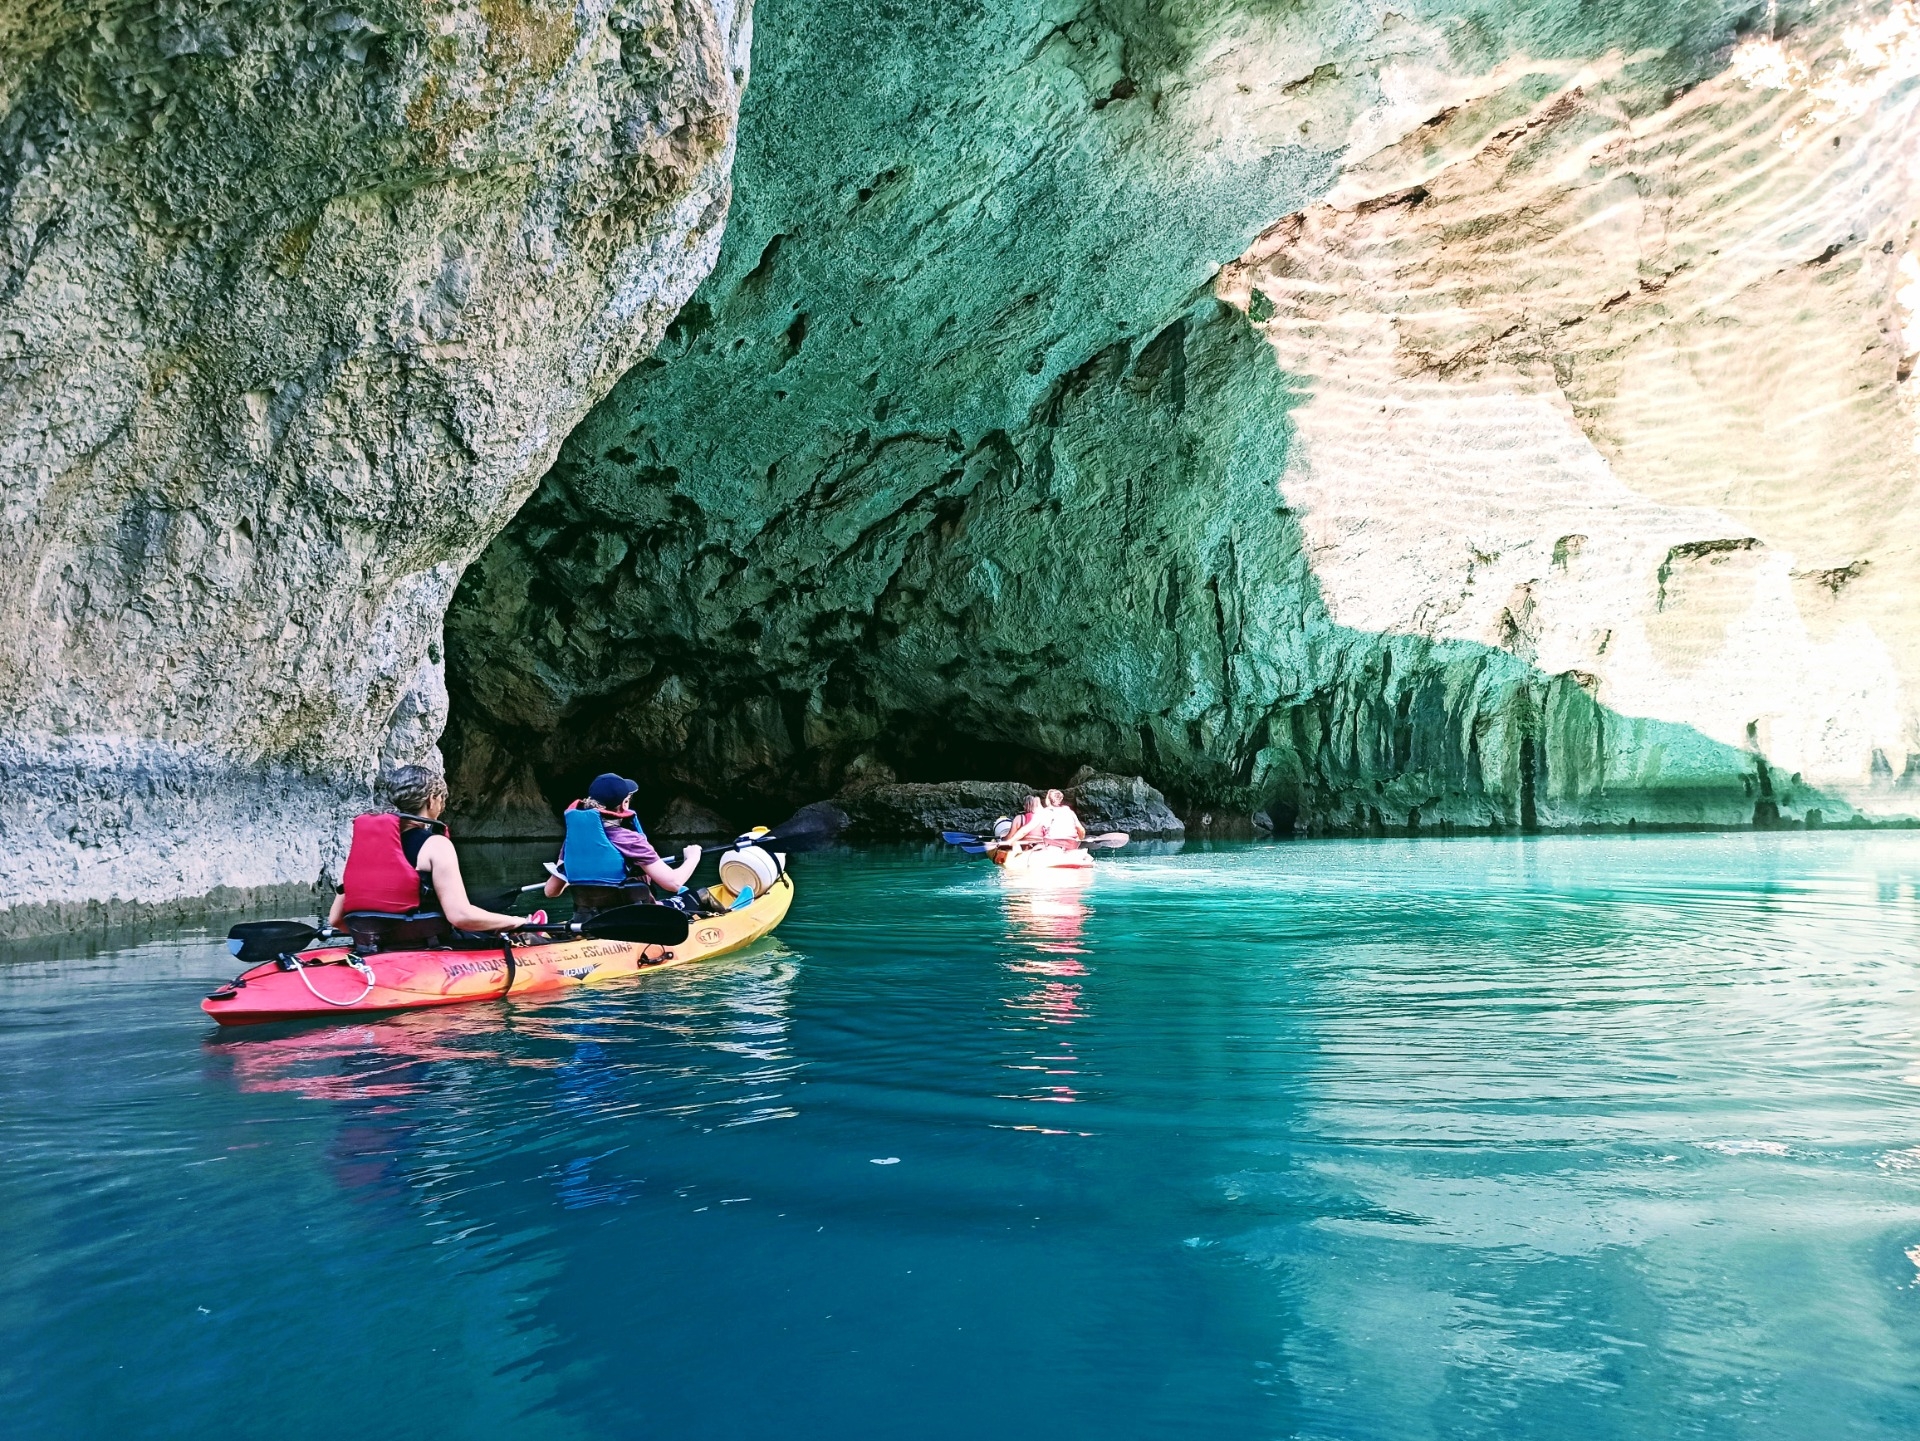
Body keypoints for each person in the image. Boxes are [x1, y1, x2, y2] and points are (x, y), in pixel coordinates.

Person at [329, 766, 535, 932]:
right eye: (442, 799)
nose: (442, 805)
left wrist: (377, 933)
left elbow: (336, 920)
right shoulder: (436, 845)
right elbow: (460, 916)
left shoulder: (367, 848)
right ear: (432, 800)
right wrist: (516, 921)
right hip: (427, 946)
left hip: (374, 946)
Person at [543, 772, 701, 900]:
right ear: (625, 803)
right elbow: (673, 883)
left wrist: (582, 875)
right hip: (634, 922)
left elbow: (551, 891)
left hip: (590, 921)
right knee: (697, 896)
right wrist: (693, 857)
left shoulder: (572, 843)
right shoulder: (630, 840)